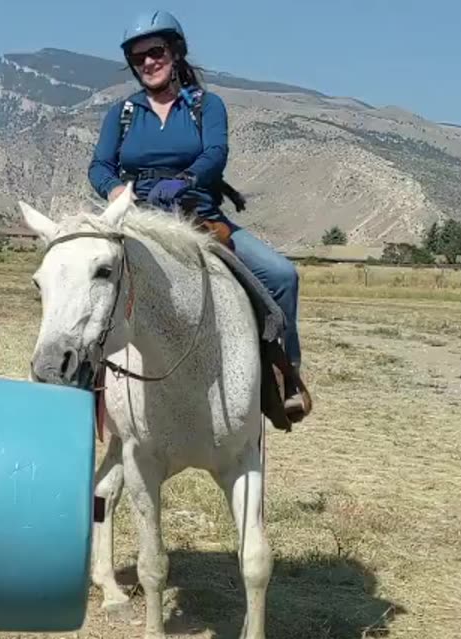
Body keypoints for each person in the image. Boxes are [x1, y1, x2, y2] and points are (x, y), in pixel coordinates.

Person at [87, 10, 309, 422]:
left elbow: (215, 154)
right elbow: (99, 166)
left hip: (201, 218)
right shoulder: (123, 114)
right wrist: (117, 190)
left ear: (175, 53)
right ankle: (80, 391)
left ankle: (283, 376)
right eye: (139, 59)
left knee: (280, 276)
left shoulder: (206, 106)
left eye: (155, 52)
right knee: (84, 287)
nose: (148, 63)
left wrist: (185, 180)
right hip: (138, 221)